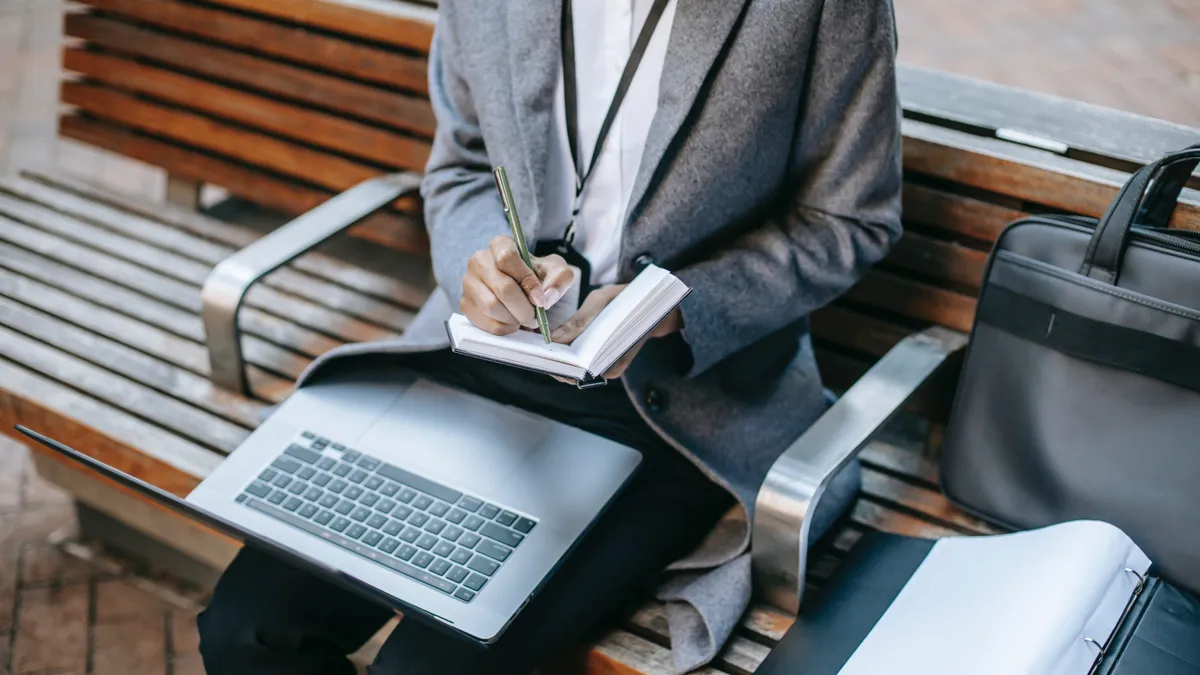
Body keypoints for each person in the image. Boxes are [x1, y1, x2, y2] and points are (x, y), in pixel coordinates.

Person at [196, 0, 903, 673]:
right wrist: (480, 261)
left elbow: (848, 221)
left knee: (423, 669)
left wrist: (680, 305)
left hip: (678, 402)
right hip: (480, 359)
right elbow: (464, 165)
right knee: (247, 630)